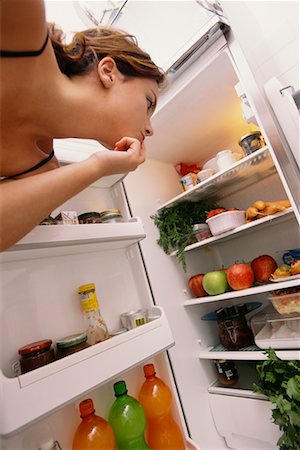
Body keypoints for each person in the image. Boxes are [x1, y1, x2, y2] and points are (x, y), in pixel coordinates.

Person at [0, 0, 167, 251]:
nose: (150, 130)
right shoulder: (25, 30)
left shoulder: (40, 170)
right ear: (109, 71)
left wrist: (98, 166)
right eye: (148, 102)